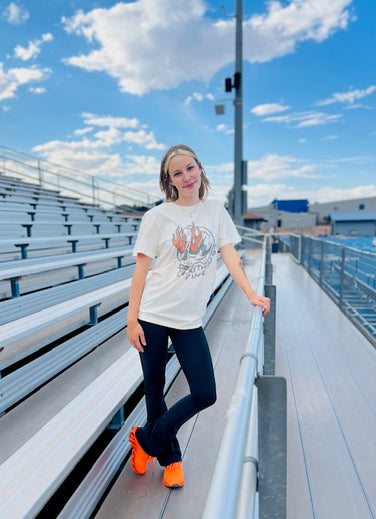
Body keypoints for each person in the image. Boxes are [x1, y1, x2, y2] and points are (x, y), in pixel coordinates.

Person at [127, 144, 270, 489]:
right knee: (154, 388)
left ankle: (145, 439)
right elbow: (141, 271)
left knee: (206, 392)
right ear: (169, 180)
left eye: (190, 168)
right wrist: (132, 320)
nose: (186, 177)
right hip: (153, 314)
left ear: (200, 168)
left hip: (189, 319)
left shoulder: (215, 211)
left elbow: (231, 257)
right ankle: (171, 459)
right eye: (177, 173)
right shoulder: (157, 217)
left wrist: (251, 294)